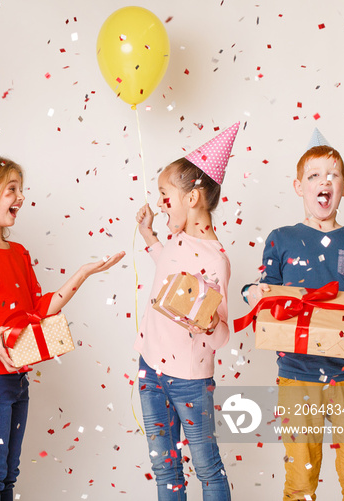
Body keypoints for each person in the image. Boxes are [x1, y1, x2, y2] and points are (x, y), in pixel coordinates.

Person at [0, 155, 124, 500]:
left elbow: (39, 311)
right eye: (12, 190)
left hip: (16, 376)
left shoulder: (19, 253)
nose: (20, 198)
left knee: (8, 474)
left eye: (20, 190)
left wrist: (82, 274)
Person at [242, 129, 344, 501]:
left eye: (333, 175)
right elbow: (267, 292)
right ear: (298, 186)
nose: (324, 182)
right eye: (314, 176)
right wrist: (253, 293)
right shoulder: (281, 238)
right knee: (300, 485)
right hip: (296, 376)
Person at [135, 123, 239, 500]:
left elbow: (223, 333)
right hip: (151, 368)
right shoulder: (177, 238)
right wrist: (150, 235)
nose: (161, 203)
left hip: (190, 380)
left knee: (207, 467)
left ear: (192, 198)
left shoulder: (216, 260)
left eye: (166, 196)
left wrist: (210, 321)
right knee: (166, 468)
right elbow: (169, 268)